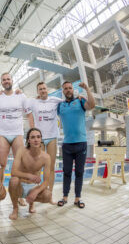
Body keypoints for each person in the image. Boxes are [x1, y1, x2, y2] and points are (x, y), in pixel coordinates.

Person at [0, 72, 33, 205]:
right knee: (0, 164)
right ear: (1, 82)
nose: (6, 81)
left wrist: (33, 131)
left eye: (8, 79)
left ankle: (19, 195)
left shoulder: (20, 95)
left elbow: (29, 114)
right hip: (3, 134)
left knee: (20, 164)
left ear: (12, 81)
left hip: (17, 133)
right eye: (4, 80)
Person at [57, 81, 95, 209]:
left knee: (79, 172)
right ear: (63, 91)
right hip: (67, 144)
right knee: (66, 172)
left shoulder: (80, 101)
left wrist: (87, 90)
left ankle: (78, 198)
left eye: (69, 88)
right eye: (65, 88)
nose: (68, 90)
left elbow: (92, 105)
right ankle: (65, 197)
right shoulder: (60, 106)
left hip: (81, 143)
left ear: (72, 90)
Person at [28, 82, 63, 205]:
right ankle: (35, 194)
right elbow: (22, 103)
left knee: (51, 167)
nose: (43, 91)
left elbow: (67, 100)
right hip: (40, 139)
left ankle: (50, 194)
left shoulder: (55, 100)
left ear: (47, 89)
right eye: (40, 89)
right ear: (38, 92)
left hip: (52, 137)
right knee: (37, 167)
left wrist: (79, 96)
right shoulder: (33, 102)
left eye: (44, 88)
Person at [9, 128, 53, 220]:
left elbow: (46, 182)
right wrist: (29, 176)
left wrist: (35, 191)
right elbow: (13, 172)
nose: (36, 139)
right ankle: (15, 209)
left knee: (48, 195)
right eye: (33, 137)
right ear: (28, 140)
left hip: (33, 187)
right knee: (13, 180)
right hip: (20, 186)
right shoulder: (21, 151)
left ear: (41, 139)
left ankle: (31, 204)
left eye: (38, 137)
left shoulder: (46, 157)